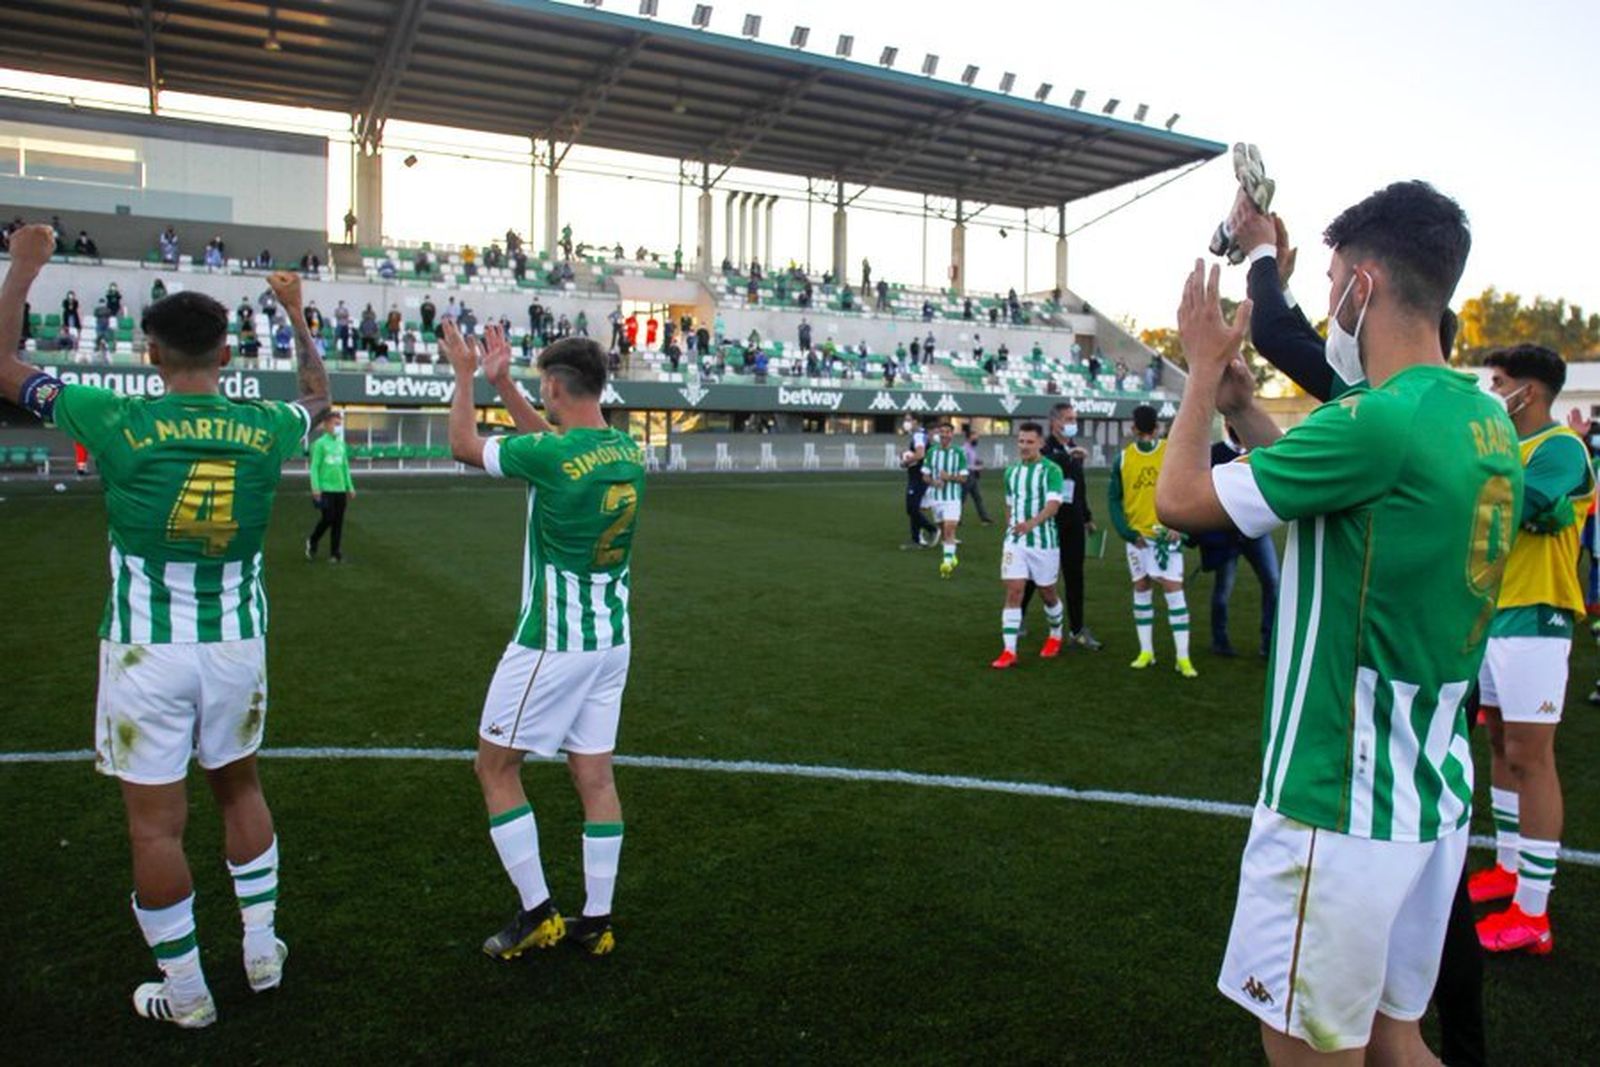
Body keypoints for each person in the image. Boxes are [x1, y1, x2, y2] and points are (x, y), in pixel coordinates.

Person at [1157, 182, 1509, 1065]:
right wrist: (1242, 409)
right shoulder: (1481, 415)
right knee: (1399, 1044)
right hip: (1427, 789)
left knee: (1316, 1052)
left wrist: (1199, 372)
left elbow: (1180, 499)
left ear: (1364, 284)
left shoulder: (1375, 421)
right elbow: (1339, 495)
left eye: (1330, 284)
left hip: (1338, 798)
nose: (1326, 306)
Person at [0, 228, 329, 1029]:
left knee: (155, 825)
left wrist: (26, 267)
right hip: (235, 645)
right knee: (240, 786)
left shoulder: (112, 416)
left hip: (145, 651)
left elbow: (2, 365)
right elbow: (319, 399)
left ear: (151, 354)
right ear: (227, 355)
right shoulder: (266, 425)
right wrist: (296, 314)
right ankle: (261, 949)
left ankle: (185, 992)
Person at [438, 319, 644, 961]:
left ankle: (537, 913)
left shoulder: (553, 457)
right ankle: (596, 921)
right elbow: (554, 448)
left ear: (554, 387)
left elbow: (464, 445)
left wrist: (467, 376)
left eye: (540, 387)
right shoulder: (627, 449)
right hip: (612, 639)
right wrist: (504, 384)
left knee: (495, 767)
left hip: (554, 642)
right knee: (595, 776)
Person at [1468, 344, 1592, 956]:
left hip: (1539, 615)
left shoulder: (1561, 447)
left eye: (1500, 383)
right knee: (1500, 744)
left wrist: (1482, 485)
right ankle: (1510, 866)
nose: (1494, 393)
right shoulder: (1506, 451)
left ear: (1530, 391)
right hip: (1495, 615)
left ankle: (1534, 912)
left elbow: (1532, 503)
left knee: (1532, 756)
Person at [1110, 404, 1195, 677]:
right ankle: (1146, 651)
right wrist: (1126, 532)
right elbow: (1114, 499)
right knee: (1141, 587)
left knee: (1174, 591)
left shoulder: (1171, 452)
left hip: (1166, 536)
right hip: (1137, 539)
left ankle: (1183, 658)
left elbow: (1187, 490)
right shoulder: (1123, 459)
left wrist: (1181, 527)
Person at [1020, 402, 1102, 650]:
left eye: (1074, 419)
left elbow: (1078, 486)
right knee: (1037, 574)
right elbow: (1046, 465)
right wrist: (1069, 456)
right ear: (1054, 422)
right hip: (1050, 521)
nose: (1072, 423)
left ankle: (1077, 630)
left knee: (1075, 575)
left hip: (1073, 521)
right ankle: (1018, 615)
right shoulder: (1046, 448)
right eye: (1068, 419)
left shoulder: (1072, 448)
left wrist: (1086, 516)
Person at [1198, 423, 1279, 658]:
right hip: (1226, 534)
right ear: (1227, 425)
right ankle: (1220, 640)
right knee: (1223, 590)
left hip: (1256, 530)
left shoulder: (1257, 452)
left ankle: (1268, 642)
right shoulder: (1216, 453)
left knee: (1273, 582)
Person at [993, 422, 1068, 668]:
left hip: (1044, 542)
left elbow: (1054, 505)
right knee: (1014, 591)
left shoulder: (1052, 470)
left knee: (1048, 593)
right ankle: (1009, 650)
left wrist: (1031, 523)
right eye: (1021, 441)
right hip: (1015, 542)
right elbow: (1009, 504)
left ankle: (1055, 634)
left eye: (1029, 442)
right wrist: (1011, 528)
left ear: (1041, 443)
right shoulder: (1011, 472)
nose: (1024, 446)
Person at [306, 411, 355, 563]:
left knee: (338, 522)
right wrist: (315, 487)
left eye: (340, 424)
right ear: (326, 425)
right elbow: (314, 467)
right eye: (335, 424)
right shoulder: (319, 444)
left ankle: (335, 553)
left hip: (340, 489)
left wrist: (350, 486)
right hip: (325, 488)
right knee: (328, 518)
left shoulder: (341, 444)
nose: (338, 427)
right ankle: (313, 540)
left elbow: (345, 467)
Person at [921, 421, 966, 574]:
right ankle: (951, 555)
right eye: (942, 432)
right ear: (938, 434)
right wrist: (934, 482)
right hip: (936, 499)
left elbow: (964, 478)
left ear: (952, 435)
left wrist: (949, 477)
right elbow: (925, 476)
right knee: (943, 529)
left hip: (952, 498)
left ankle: (946, 563)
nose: (944, 435)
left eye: (947, 432)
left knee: (949, 528)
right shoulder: (931, 452)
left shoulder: (959, 453)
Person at [900, 416, 937, 549]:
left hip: (918, 476)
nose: (906, 422)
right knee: (914, 508)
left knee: (911, 508)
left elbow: (920, 454)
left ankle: (932, 529)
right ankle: (916, 540)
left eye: (908, 419)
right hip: (919, 475)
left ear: (916, 421)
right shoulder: (921, 434)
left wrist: (905, 462)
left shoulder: (919, 435)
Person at [960, 424, 993, 526]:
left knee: (977, 498)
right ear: (969, 437)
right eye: (975, 437)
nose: (977, 439)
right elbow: (964, 464)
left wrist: (978, 462)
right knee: (962, 499)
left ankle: (985, 518)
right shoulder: (964, 449)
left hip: (973, 476)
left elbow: (972, 461)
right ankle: (955, 518)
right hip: (967, 476)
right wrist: (977, 468)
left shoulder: (972, 449)